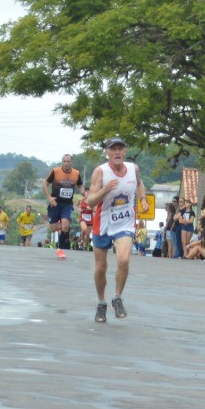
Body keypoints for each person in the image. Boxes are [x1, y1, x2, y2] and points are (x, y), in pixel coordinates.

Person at [81, 138, 147, 324]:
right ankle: (101, 303)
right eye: (113, 149)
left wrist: (142, 199)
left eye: (120, 149)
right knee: (101, 267)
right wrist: (104, 191)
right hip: (103, 223)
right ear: (107, 152)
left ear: (125, 152)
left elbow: (139, 184)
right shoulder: (100, 172)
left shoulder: (133, 169)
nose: (117, 152)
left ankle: (117, 298)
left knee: (124, 259)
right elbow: (90, 201)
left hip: (125, 222)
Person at [45, 154, 81, 250]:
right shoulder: (55, 171)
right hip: (55, 203)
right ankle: (63, 240)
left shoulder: (76, 173)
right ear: (62, 162)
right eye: (64, 161)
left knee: (65, 225)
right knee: (54, 228)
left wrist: (83, 192)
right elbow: (45, 184)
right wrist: (49, 198)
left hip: (67, 204)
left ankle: (62, 247)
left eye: (68, 161)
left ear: (71, 162)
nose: (66, 163)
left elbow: (80, 185)